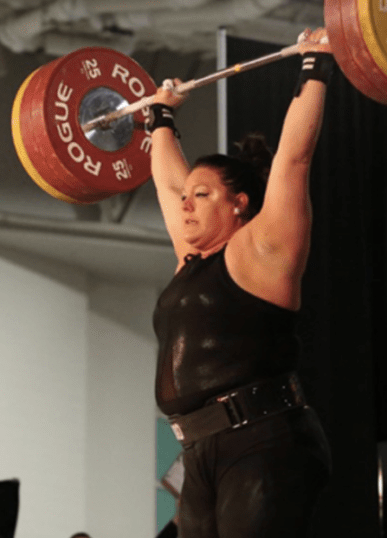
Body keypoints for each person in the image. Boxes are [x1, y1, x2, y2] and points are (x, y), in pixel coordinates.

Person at [147, 27, 333, 538]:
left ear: (240, 204)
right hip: (200, 451)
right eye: (188, 195)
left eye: (201, 194)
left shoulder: (262, 249)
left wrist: (315, 66)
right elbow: (166, 182)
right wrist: (161, 115)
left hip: (264, 441)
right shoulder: (192, 258)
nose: (185, 202)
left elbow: (294, 159)